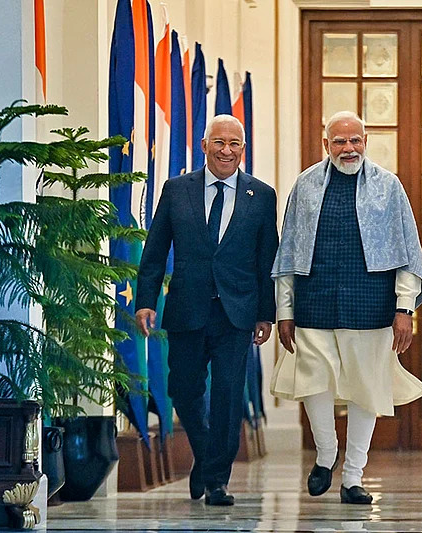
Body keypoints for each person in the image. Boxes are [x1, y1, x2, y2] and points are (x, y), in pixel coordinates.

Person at [270, 111, 422, 505]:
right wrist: (284, 310)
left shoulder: (388, 186)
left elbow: (406, 252)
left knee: (366, 390)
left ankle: (354, 476)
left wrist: (404, 309)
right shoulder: (305, 186)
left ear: (366, 141)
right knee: (312, 382)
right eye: (339, 141)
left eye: (355, 140)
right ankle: (326, 455)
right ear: (326, 145)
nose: (348, 148)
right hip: (314, 301)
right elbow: (289, 250)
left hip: (371, 305)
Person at [135, 115, 278, 506]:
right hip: (187, 306)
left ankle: (216, 480)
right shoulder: (176, 190)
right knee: (182, 388)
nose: (226, 150)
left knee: (228, 395)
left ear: (243, 150)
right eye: (219, 142)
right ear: (204, 146)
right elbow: (155, 248)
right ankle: (206, 454)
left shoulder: (262, 196)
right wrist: (146, 299)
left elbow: (268, 259)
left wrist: (266, 314)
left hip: (237, 311)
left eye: (235, 143)